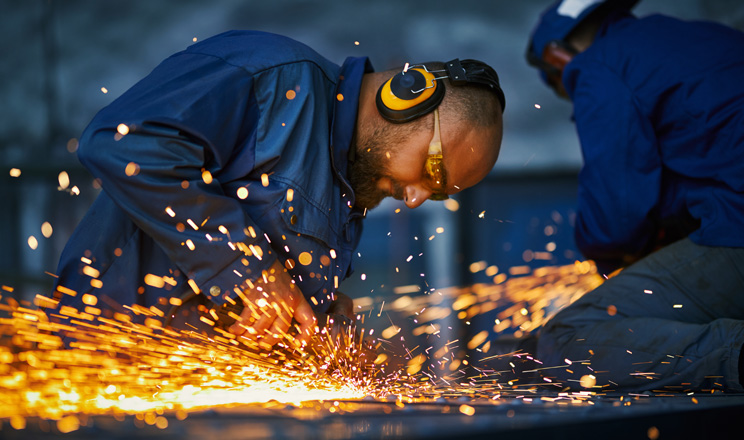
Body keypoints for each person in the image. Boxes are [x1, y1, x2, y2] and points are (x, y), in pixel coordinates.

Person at [51, 30, 505, 351]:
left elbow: (261, 287)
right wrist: (250, 270)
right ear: (406, 97)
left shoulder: (349, 178)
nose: (414, 199)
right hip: (112, 362)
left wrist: (318, 319)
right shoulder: (272, 76)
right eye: (433, 173)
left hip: (200, 391)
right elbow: (123, 143)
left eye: (439, 194)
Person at [525, 0, 744, 392]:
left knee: (566, 338)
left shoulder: (599, 65)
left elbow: (616, 216)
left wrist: (608, 259)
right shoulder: (709, 38)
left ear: (557, 58)